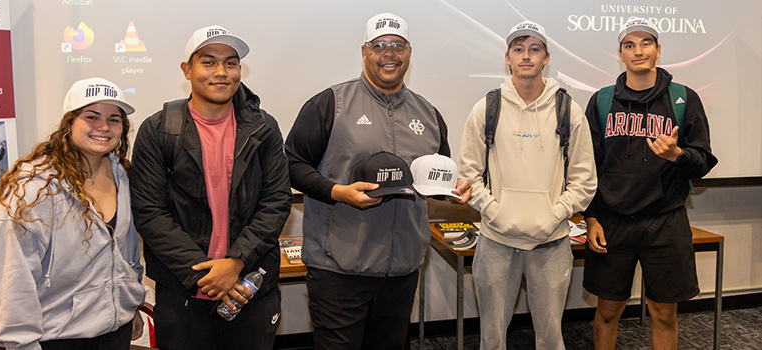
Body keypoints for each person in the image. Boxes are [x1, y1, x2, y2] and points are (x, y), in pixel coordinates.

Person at [285, 12, 471, 349]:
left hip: (402, 269)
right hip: (339, 267)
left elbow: (434, 182)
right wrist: (337, 192)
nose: (389, 53)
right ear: (364, 51)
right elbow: (291, 164)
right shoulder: (330, 103)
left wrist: (454, 191)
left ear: (409, 52)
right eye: (379, 45)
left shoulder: (428, 114)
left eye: (397, 46)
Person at [130, 25, 292, 350]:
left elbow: (275, 202)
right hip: (183, 292)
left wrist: (235, 264)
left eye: (230, 63)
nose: (221, 72)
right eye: (208, 62)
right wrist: (206, 275)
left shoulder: (263, 127)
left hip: (249, 287)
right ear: (187, 70)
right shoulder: (158, 130)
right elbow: (150, 213)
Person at [0, 77, 145, 350]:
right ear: (69, 122)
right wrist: (21, 344)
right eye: (92, 116)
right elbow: (9, 276)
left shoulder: (120, 175)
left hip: (114, 332)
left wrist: (127, 303)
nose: (104, 127)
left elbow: (124, 253)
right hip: (55, 338)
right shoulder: (33, 187)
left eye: (114, 119)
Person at [457, 21, 597, 350]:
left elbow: (584, 179)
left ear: (546, 57)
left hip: (551, 243)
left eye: (534, 49)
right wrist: (495, 211)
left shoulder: (568, 110)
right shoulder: (486, 108)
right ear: (507, 57)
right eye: (518, 49)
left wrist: (554, 214)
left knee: (550, 337)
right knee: (492, 338)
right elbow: (469, 173)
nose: (526, 56)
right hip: (496, 240)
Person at [582, 17, 718, 350]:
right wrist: (591, 216)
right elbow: (586, 167)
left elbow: (702, 162)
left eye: (646, 43)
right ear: (620, 53)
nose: (638, 51)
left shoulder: (683, 99)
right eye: (630, 45)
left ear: (658, 50)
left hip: (666, 220)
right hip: (613, 221)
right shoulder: (601, 102)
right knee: (608, 311)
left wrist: (676, 155)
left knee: (663, 313)